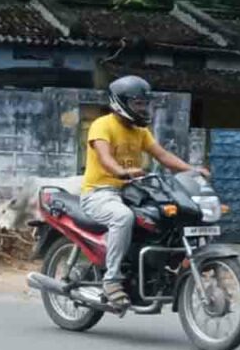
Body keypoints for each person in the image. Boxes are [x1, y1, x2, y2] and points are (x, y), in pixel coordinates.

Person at [73, 75, 209, 310]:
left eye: (145, 103)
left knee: (167, 217)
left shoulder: (140, 132)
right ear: (120, 102)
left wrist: (192, 170)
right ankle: (112, 280)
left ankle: (158, 271)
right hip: (100, 192)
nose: (143, 108)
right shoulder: (102, 125)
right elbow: (105, 159)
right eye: (138, 103)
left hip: (133, 191)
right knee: (122, 218)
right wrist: (122, 172)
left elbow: (163, 156)